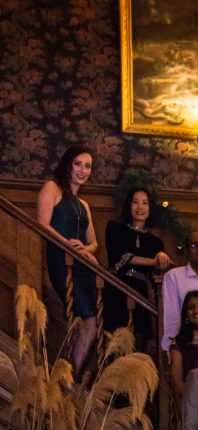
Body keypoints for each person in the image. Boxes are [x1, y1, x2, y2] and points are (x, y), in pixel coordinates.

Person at [36, 145, 99, 377]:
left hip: (81, 266)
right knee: (89, 320)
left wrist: (84, 249)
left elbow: (93, 243)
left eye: (88, 166)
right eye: (78, 164)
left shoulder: (84, 205)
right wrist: (69, 246)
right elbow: (42, 224)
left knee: (87, 321)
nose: (83, 170)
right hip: (61, 261)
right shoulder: (52, 187)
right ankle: (69, 378)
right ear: (67, 164)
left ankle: (67, 373)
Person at [103, 185, 173, 345]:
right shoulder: (114, 228)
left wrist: (161, 256)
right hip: (117, 288)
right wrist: (153, 260)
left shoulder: (155, 242)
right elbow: (119, 257)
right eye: (135, 202)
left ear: (150, 208)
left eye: (145, 203)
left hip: (140, 292)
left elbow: (160, 267)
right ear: (129, 206)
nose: (140, 207)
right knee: (115, 340)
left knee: (139, 338)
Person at [169, 291, 198, 404]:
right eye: (191, 307)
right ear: (186, 314)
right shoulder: (178, 345)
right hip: (192, 402)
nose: (196, 310)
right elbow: (178, 383)